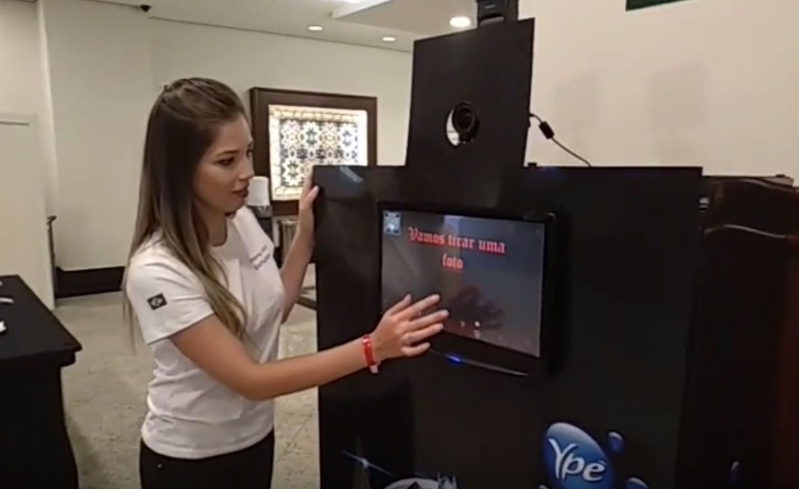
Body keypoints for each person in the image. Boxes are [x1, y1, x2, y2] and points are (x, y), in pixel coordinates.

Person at [122, 77, 448, 489]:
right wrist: (372, 347)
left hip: (255, 438)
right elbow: (250, 380)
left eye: (249, 153)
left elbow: (274, 308)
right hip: (192, 456)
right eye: (226, 161)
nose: (247, 173)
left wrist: (307, 233)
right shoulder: (157, 270)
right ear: (179, 170)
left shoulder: (240, 221)